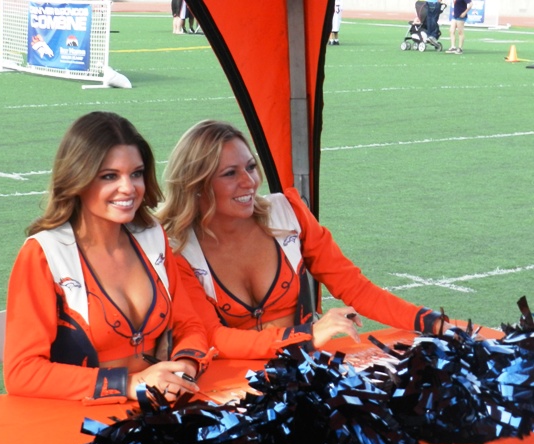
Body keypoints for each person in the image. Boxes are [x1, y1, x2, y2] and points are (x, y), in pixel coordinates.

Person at [157, 119, 451, 360]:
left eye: (251, 167)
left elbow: (355, 287)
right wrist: (307, 335)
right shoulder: (177, 250)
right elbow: (213, 337)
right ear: (197, 184)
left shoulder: (289, 213)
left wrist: (429, 321)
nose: (249, 182)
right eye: (230, 174)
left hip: (303, 370)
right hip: (231, 386)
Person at [3, 111, 211, 404]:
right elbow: (22, 372)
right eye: (109, 176)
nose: (129, 188)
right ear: (78, 178)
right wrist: (128, 384)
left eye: (136, 173)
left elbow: (189, 325)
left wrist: (185, 367)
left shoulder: (152, 235)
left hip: (159, 408)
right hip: (82, 420)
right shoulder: (43, 254)